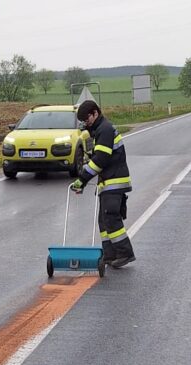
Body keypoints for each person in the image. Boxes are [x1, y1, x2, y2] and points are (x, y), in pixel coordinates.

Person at [70, 100, 136, 268]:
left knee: (111, 219)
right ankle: (109, 254)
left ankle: (125, 253)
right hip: (108, 182)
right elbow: (97, 158)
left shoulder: (104, 130)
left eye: (87, 119)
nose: (86, 123)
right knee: (104, 221)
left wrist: (83, 179)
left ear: (95, 113)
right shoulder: (100, 130)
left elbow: (100, 160)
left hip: (114, 182)